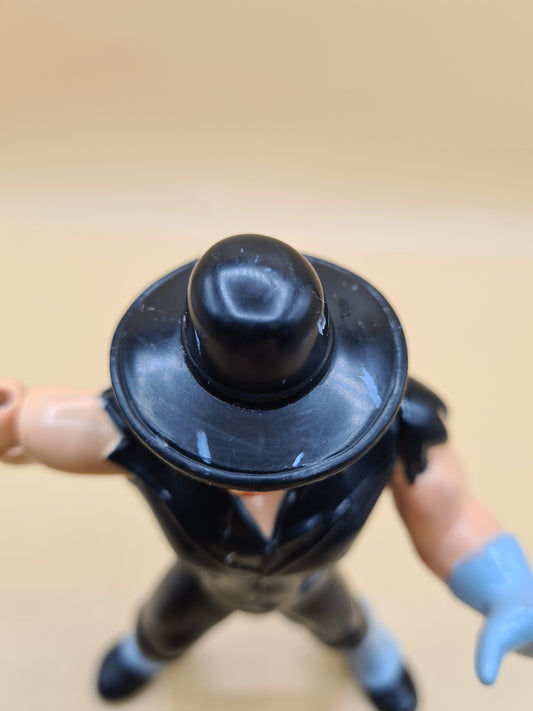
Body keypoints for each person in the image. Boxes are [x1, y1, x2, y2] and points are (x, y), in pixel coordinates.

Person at [2, 234, 533, 711]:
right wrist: (12, 419)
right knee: (161, 628)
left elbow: (450, 519)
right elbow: (49, 426)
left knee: (345, 625)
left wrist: (510, 592)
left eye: (278, 440)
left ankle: (372, 652)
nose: (249, 463)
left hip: (309, 582)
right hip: (208, 581)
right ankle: (144, 652)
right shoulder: (144, 424)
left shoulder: (392, 424)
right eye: (221, 437)